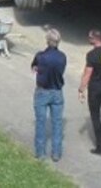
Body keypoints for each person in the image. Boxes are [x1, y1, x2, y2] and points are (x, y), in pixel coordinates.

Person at [31, 27, 67, 162]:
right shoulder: (62, 57)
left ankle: (40, 153)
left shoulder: (41, 56)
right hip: (57, 91)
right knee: (57, 123)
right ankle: (56, 153)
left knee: (40, 122)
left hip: (42, 91)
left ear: (47, 40)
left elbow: (34, 67)